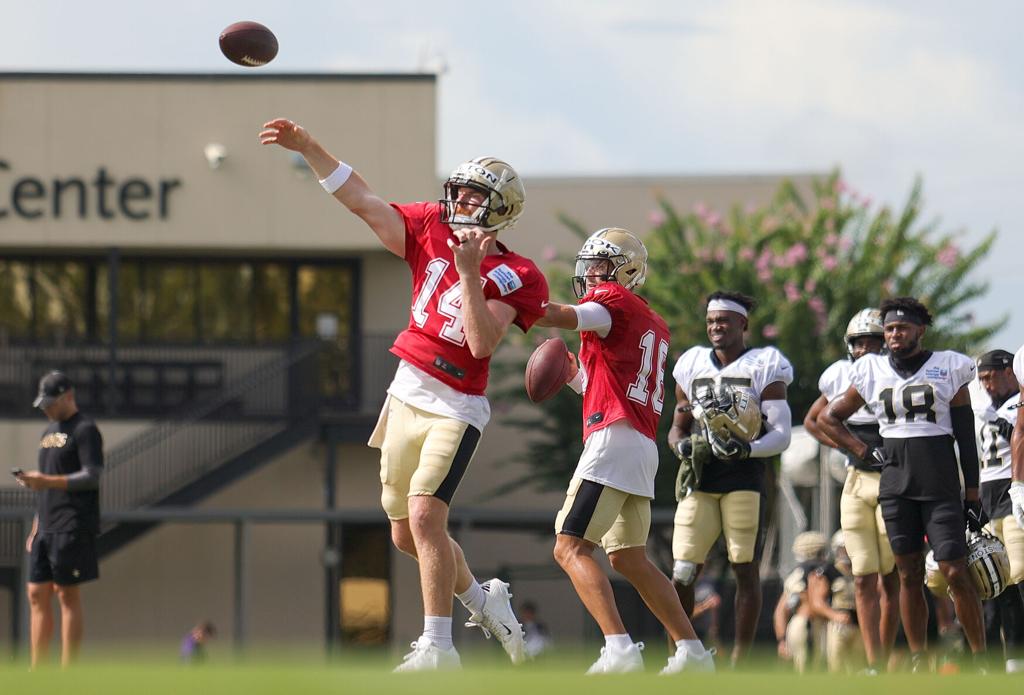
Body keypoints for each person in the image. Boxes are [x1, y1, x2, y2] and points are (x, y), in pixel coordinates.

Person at [261, 120, 548, 670]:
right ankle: (483, 600)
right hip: (407, 389)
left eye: (474, 193)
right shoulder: (429, 225)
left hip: (457, 403)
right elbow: (364, 202)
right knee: (402, 533)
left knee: (424, 519)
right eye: (459, 188)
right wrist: (309, 147)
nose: (460, 198)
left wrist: (469, 274)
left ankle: (438, 647)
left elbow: (483, 343)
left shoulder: (518, 272)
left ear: (499, 209)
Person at [538, 228, 713, 674]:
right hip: (638, 444)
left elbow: (558, 314)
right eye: (589, 265)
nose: (592, 273)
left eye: (602, 264)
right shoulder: (651, 321)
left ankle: (619, 648)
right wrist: (575, 375)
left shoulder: (613, 301)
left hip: (612, 440)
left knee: (569, 548)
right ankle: (692, 652)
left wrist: (507, 301)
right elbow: (609, 386)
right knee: (629, 557)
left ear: (626, 272)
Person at [818, 296, 986, 671]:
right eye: (889, 328)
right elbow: (829, 418)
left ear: (919, 331)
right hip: (895, 485)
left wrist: (972, 492)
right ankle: (918, 657)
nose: (894, 334)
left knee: (955, 570)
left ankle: (980, 657)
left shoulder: (947, 367)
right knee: (907, 573)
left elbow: (964, 433)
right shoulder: (872, 370)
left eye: (902, 328)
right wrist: (862, 449)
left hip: (940, 483)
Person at [668, 290, 794, 667]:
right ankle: (682, 651)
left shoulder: (765, 365)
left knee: (744, 567)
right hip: (701, 479)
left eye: (723, 320)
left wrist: (748, 450)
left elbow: (782, 434)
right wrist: (681, 447)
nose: (715, 327)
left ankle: (739, 659)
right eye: (710, 321)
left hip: (744, 478)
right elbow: (677, 428)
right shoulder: (691, 364)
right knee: (683, 570)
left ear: (743, 324)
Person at [806, 309, 900, 671]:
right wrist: (847, 446)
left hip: (894, 480)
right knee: (862, 576)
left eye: (874, 342)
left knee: (891, 575)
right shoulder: (840, 375)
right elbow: (816, 420)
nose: (866, 349)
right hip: (857, 479)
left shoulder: (897, 375)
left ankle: (887, 657)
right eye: (860, 342)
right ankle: (874, 662)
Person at [14, 372, 104, 669]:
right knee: (36, 593)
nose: (47, 410)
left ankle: (68, 674)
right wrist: (36, 525)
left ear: (68, 396)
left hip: (73, 524)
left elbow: (91, 476)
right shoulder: (46, 434)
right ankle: (38, 671)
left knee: (66, 593)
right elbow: (45, 484)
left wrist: (48, 481)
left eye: (51, 403)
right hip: (46, 526)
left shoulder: (85, 430)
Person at [972, 349, 1024, 672]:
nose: (986, 385)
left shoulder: (1015, 404)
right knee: (992, 580)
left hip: (1012, 495)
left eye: (990, 377)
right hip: (989, 500)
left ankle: (1017, 654)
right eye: (982, 380)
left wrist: (995, 418)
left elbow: (1017, 435)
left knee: (1019, 575)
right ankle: (998, 657)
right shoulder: (984, 406)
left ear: (1009, 372)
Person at [774, 531, 828, 673]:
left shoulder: (794, 575)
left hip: (800, 625)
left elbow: (780, 610)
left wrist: (782, 640)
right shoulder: (825, 573)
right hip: (814, 625)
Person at [808, 531, 862, 674]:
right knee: (836, 667)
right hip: (837, 626)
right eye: (844, 548)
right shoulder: (829, 571)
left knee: (858, 669)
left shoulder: (862, 570)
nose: (847, 552)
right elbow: (817, 601)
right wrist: (833, 615)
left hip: (859, 625)